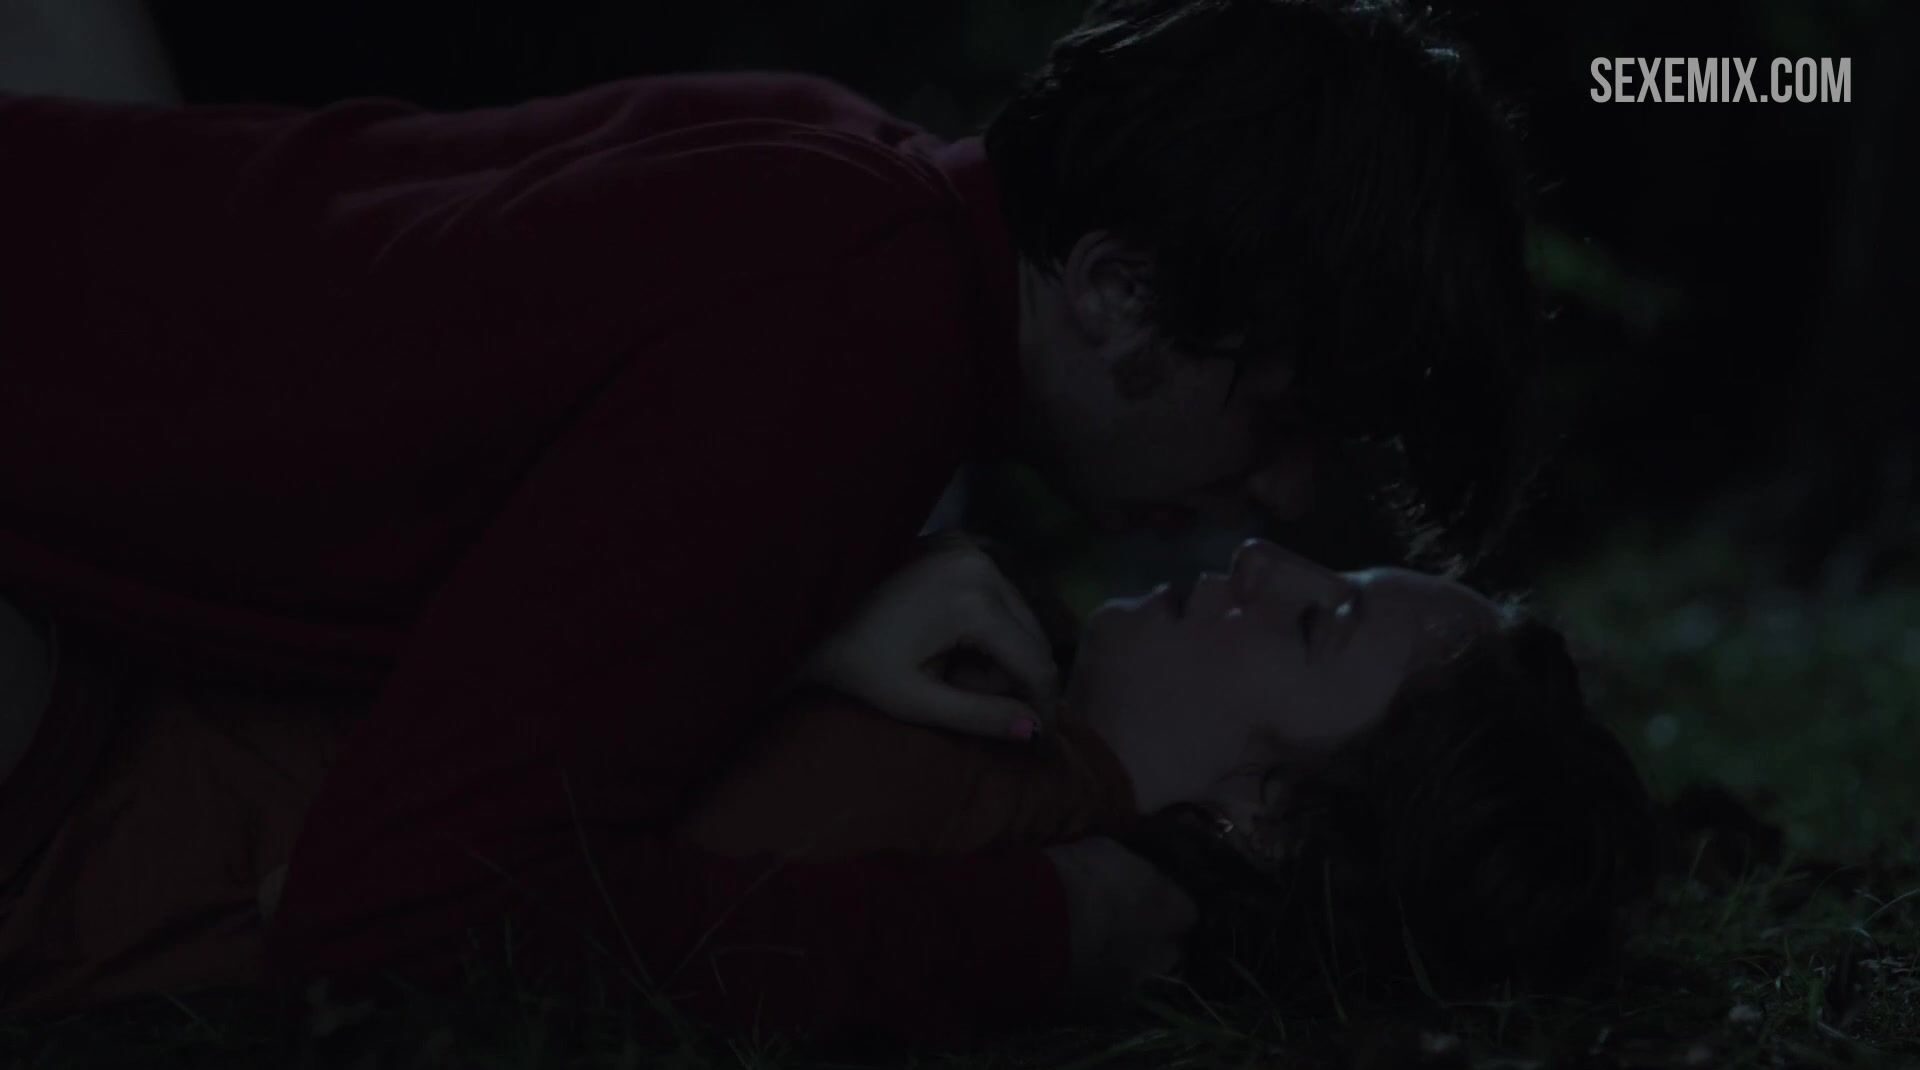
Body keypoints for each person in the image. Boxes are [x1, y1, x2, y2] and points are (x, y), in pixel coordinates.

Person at [0, 0, 1541, 1042]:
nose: (1282, 505)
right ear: (1117, 291)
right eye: (1284, 422)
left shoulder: (852, 172)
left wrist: (804, 615)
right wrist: (1039, 934)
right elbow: (391, 920)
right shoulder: (843, 355)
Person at [0, 540, 1655, 1025]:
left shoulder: (961, 800)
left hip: (89, 778)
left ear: (1265, 817)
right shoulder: (985, 714)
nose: (1255, 562)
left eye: (1314, 618)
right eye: (1323, 567)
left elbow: (400, 907)